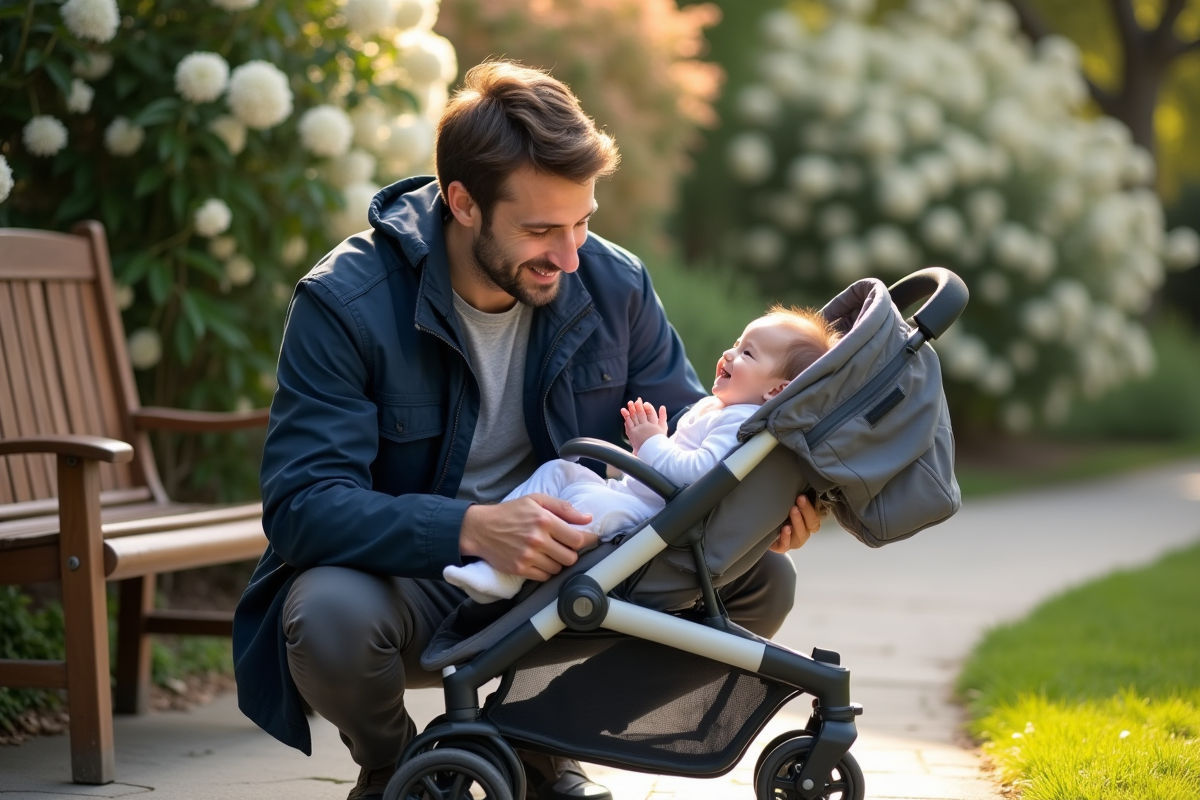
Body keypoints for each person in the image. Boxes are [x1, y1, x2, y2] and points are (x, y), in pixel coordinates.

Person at [232, 60, 824, 800]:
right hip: (417, 580)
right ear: (463, 202)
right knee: (327, 617)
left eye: (583, 222)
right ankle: (395, 768)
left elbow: (703, 441)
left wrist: (761, 510)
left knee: (759, 581)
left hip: (577, 572)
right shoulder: (346, 302)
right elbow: (303, 506)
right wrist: (473, 528)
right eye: (542, 229)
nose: (571, 256)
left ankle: (536, 750)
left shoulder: (614, 284)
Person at [445, 307, 840, 603]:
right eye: (737, 343)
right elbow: (676, 458)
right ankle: (493, 546)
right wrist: (647, 446)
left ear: (776, 391)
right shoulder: (718, 407)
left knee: (586, 504)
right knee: (559, 471)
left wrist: (652, 442)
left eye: (748, 354)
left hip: (651, 520)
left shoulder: (741, 424)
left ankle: (507, 578)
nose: (729, 353)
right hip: (635, 494)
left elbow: (696, 477)